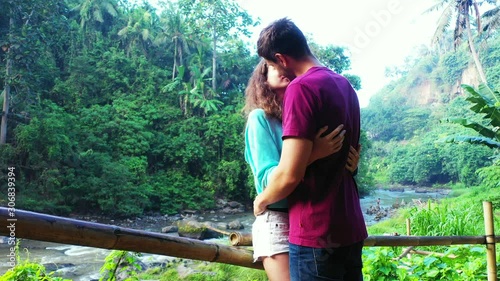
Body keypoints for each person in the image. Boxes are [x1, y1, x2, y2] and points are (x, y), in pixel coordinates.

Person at [253, 18, 368, 281]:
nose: (273, 70)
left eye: (270, 64)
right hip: (350, 225)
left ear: (281, 59)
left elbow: (289, 174)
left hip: (316, 229)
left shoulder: (301, 88)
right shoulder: (345, 86)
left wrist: (262, 200)